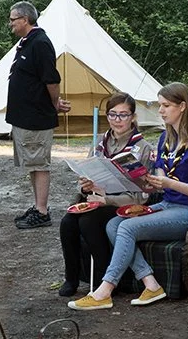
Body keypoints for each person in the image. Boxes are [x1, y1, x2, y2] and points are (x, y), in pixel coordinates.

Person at [69, 83, 188, 311]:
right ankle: (151, 283)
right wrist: (147, 182)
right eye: (160, 105)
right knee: (113, 224)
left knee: (127, 228)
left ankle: (105, 290)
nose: (160, 110)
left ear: (183, 107)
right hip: (166, 204)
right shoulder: (165, 139)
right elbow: (156, 183)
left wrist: (168, 183)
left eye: (166, 105)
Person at [57, 93, 155, 297]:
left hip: (125, 203)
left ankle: (104, 281)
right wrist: (84, 186)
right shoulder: (100, 143)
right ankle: (71, 278)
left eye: (123, 115)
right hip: (98, 198)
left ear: (133, 117)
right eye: (113, 114)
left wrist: (107, 200)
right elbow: (86, 175)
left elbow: (143, 195)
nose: (117, 120)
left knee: (89, 222)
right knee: (68, 222)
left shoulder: (142, 148)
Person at [5, 0, 72, 229]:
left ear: (25, 19)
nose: (10, 23)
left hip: (36, 117)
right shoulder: (27, 43)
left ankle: (42, 211)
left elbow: (51, 79)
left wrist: (54, 103)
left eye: (13, 19)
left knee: (39, 163)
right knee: (32, 164)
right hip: (25, 116)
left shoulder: (40, 43)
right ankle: (37, 206)